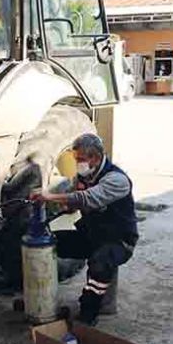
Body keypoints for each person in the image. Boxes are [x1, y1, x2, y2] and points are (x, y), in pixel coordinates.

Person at [31, 133, 139, 326]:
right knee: (49, 244)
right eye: (76, 159)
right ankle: (43, 299)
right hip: (92, 236)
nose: (78, 163)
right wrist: (64, 207)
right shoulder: (84, 176)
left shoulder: (117, 180)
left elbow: (87, 198)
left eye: (81, 159)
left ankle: (88, 314)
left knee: (100, 263)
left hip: (118, 241)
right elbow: (74, 200)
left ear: (96, 158)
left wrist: (49, 196)